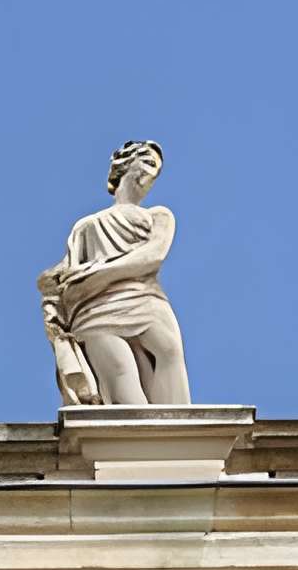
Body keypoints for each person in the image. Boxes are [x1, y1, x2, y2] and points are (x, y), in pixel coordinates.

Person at [39, 140, 191, 407]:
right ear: (124, 164)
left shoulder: (159, 216)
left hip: (144, 299)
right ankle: (139, 435)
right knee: (120, 372)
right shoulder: (86, 226)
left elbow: (152, 257)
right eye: (148, 162)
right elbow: (66, 277)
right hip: (94, 309)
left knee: (169, 354)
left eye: (156, 169)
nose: (152, 173)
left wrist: (95, 276)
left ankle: (180, 434)